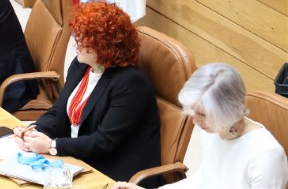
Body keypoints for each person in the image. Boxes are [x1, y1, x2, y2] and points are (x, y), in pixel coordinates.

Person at [13, 0, 161, 183]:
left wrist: (52, 145)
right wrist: (34, 131)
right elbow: (59, 111)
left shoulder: (131, 84)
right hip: (76, 158)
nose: (76, 43)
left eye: (84, 40)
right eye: (78, 36)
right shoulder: (81, 66)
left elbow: (104, 141)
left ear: (104, 47)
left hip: (111, 171)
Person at [112, 63, 288, 189]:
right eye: (194, 111)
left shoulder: (266, 155)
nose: (195, 121)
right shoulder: (214, 130)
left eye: (202, 114)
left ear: (229, 110)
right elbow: (203, 180)